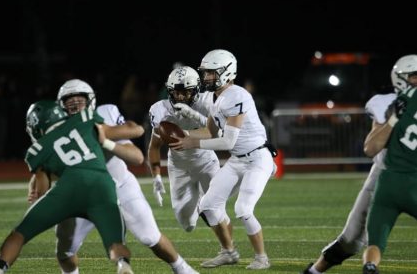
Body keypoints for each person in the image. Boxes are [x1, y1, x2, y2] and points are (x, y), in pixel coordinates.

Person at [49, 79, 199, 274]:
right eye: (69, 101)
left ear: (91, 101)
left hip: (120, 186)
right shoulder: (57, 131)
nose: (75, 105)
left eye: (80, 99)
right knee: (65, 251)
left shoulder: (105, 114)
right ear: (61, 106)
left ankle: (182, 269)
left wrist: (104, 139)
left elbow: (136, 154)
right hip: (82, 197)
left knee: (151, 237)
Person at [299, 55, 417, 274]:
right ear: (401, 78)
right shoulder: (387, 103)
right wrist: (394, 119)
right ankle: (314, 271)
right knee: (351, 239)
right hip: (385, 175)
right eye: (415, 77)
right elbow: (371, 147)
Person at [0, 100, 136, 274]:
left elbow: (42, 190)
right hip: (101, 185)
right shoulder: (85, 118)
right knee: (116, 245)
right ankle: (122, 265)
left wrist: (41, 201)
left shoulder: (36, 151)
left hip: (68, 189)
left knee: (19, 234)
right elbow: (132, 130)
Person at [170, 49, 275, 270]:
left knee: (243, 209)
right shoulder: (212, 97)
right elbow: (210, 132)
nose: (206, 77)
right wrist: (185, 133)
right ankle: (228, 252)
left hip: (257, 158)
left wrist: (193, 143)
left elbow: (227, 142)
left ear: (227, 72)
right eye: (205, 73)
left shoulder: (238, 95)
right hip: (238, 160)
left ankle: (261, 258)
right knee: (207, 205)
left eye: (210, 73)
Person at [148, 66, 225, 232]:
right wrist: (156, 177)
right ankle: (198, 202)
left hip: (205, 159)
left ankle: (228, 248)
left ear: (196, 89)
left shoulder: (207, 102)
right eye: (176, 92)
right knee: (188, 224)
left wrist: (193, 115)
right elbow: (154, 146)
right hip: (179, 165)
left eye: (186, 92)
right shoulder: (160, 110)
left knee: (216, 210)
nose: (181, 97)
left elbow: (218, 132)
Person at [362, 55, 417, 274]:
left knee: (375, 241)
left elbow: (369, 149)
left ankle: (370, 266)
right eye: (414, 76)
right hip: (414, 181)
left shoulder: (389, 104)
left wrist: (394, 118)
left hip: (387, 183)